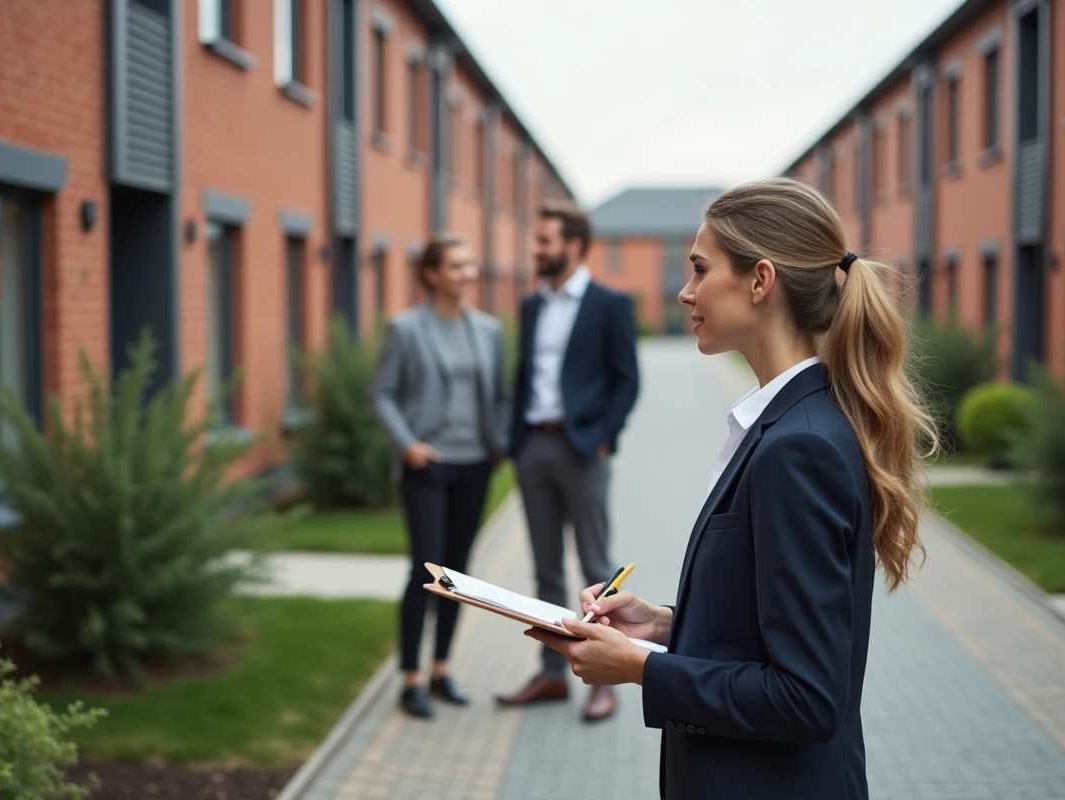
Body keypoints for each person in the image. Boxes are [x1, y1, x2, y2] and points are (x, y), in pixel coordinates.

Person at [524, 177, 939, 799]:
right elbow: (765, 626)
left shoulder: (797, 448)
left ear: (759, 281)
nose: (684, 293)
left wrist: (641, 667)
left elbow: (806, 698)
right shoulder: (792, 421)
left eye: (698, 268)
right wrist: (665, 624)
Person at [494, 199, 641, 723]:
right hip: (533, 447)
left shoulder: (609, 304)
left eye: (544, 241)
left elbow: (627, 380)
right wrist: (512, 439)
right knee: (545, 569)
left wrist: (603, 438)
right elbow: (523, 376)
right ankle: (553, 674)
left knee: (597, 568)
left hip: (583, 450)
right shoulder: (532, 305)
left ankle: (607, 679)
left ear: (573, 246)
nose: (536, 249)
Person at [370, 233, 512, 720]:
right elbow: (382, 393)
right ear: (431, 273)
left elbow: (499, 395)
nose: (467, 275)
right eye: (456, 266)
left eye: (471, 266)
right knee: (425, 572)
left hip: (476, 465)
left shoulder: (488, 329)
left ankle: (441, 669)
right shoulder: (406, 328)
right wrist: (407, 444)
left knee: (457, 574)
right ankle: (409, 678)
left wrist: (501, 442)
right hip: (427, 465)